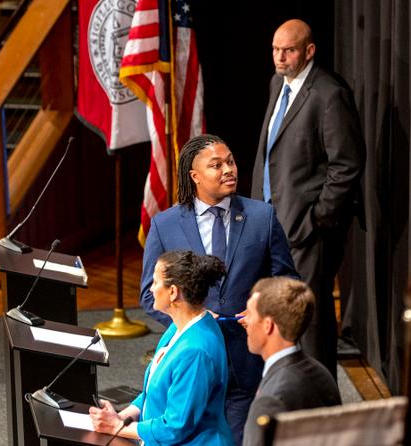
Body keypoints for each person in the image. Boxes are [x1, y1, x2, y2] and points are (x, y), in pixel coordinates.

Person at [139, 134, 298, 445]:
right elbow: (148, 294)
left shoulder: (262, 217)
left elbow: (288, 280)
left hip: (246, 355)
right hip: (193, 357)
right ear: (195, 176)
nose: (229, 169)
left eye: (231, 162)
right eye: (217, 165)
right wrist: (192, 320)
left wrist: (263, 309)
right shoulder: (165, 225)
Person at [251, 19, 366, 378]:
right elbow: (272, 153)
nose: (279, 57)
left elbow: (347, 165)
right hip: (271, 220)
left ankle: (320, 404)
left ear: (309, 51)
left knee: (310, 322)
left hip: (307, 230)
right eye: (275, 49)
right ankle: (283, 390)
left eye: (288, 50)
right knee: (276, 312)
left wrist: (318, 220)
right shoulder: (277, 83)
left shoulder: (329, 94)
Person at [90, 251, 232, 444]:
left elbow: (175, 427)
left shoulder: (195, 352)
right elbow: (154, 392)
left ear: (173, 292)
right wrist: (121, 417)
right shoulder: (177, 327)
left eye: (155, 282)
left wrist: (117, 427)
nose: (150, 289)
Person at [240, 277, 341, 446]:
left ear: (268, 325)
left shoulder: (270, 401)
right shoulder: (321, 372)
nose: (245, 321)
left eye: (249, 314)